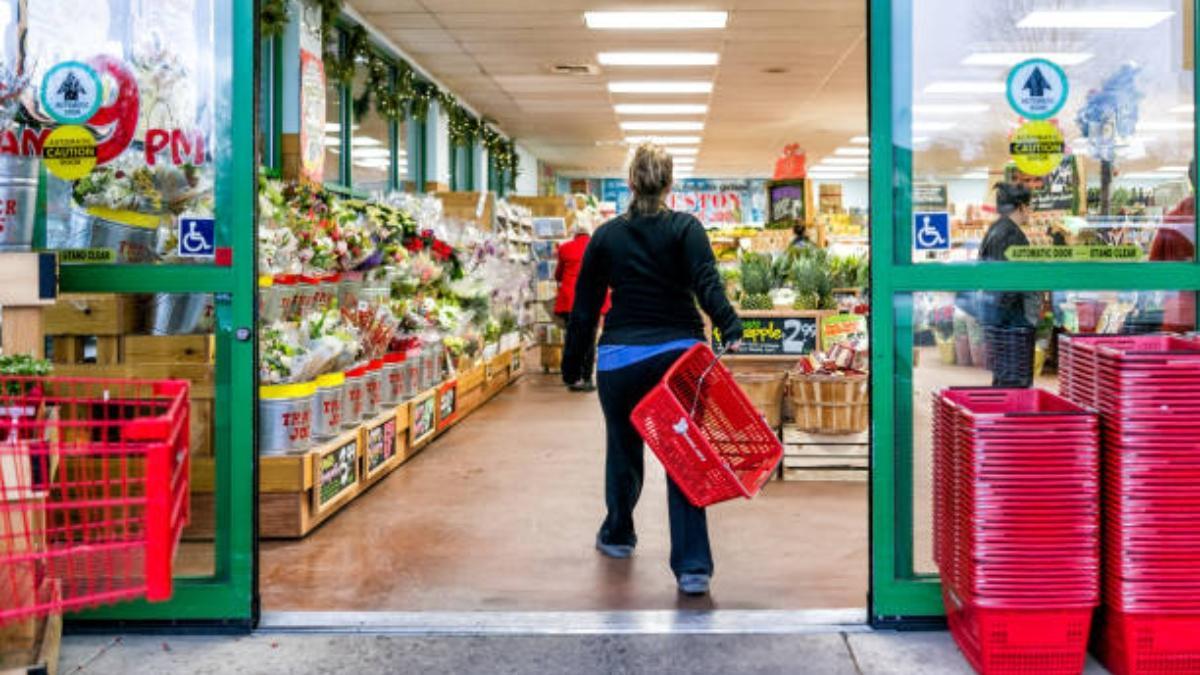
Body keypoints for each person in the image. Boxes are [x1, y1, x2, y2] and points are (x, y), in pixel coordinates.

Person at [561, 143, 743, 597]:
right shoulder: (687, 229)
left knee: (623, 450)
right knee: (684, 455)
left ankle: (619, 535)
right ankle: (693, 566)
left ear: (629, 183)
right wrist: (729, 325)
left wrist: (574, 366)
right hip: (679, 359)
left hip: (621, 358)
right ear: (670, 183)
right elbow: (707, 283)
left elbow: (584, 310)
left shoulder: (605, 236)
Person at [978, 182, 1040, 387]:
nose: (1030, 212)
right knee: (1015, 383)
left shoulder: (994, 230)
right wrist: (1023, 321)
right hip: (1013, 322)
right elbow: (1010, 282)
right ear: (1021, 206)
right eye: (1029, 206)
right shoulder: (1012, 234)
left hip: (999, 320)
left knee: (1003, 379)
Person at [553, 225, 607, 391]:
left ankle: (571, 376)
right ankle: (587, 377)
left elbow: (558, 275)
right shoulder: (598, 246)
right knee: (590, 339)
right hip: (592, 299)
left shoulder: (565, 248)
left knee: (572, 338)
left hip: (570, 299)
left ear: (575, 234)